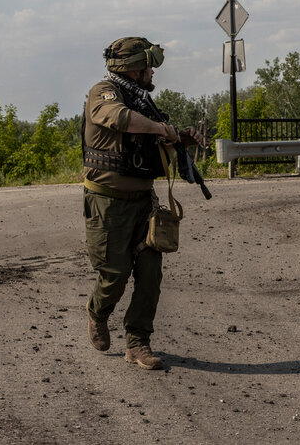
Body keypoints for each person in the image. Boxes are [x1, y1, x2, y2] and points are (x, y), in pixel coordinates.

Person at [81, 36, 203, 370]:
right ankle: (97, 313)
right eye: (148, 66)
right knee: (115, 274)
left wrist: (179, 137)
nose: (152, 73)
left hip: (143, 204)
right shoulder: (103, 93)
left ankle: (138, 343)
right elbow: (119, 119)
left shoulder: (143, 102)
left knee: (150, 275)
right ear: (136, 69)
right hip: (108, 205)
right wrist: (163, 129)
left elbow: (155, 143)